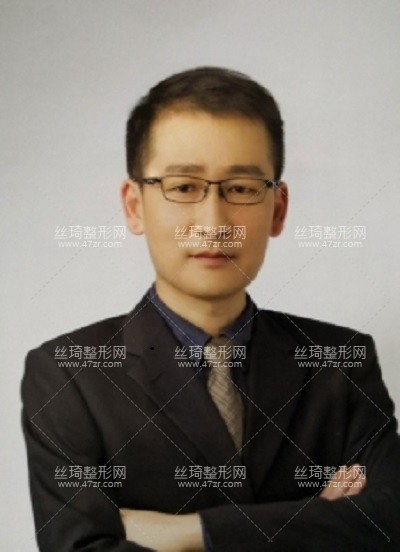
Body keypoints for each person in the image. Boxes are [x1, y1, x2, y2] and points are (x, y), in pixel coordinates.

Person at [21, 67, 400, 552]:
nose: (214, 222)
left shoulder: (340, 360)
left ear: (278, 208)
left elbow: (390, 523)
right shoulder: (68, 375)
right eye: (183, 187)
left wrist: (190, 532)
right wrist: (315, 521)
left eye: (241, 188)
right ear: (134, 206)